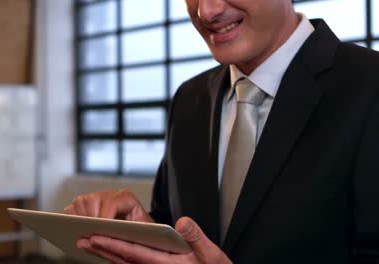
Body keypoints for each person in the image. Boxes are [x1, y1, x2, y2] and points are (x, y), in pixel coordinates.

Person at [65, 0, 379, 263]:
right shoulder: (190, 99)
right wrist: (139, 232)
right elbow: (181, 231)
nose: (207, 11)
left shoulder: (368, 85)